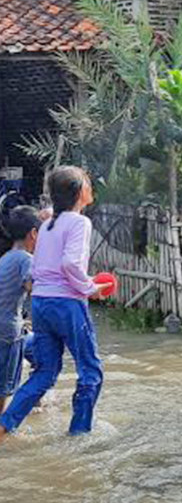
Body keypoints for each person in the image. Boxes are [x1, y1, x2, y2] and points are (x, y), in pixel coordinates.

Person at [0, 166, 109, 442]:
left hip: (40, 303)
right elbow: (70, 263)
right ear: (79, 192)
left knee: (45, 372)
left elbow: (49, 217)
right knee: (91, 370)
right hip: (66, 303)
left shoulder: (46, 223)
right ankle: (79, 435)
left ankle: (4, 426)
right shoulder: (79, 223)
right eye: (87, 182)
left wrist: (85, 282)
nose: (91, 186)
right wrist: (90, 287)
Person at [0, 206, 41, 415]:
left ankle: (37, 403)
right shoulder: (26, 259)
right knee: (4, 390)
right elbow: (35, 289)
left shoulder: (6, 258)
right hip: (8, 333)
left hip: (10, 327)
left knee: (40, 353)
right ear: (33, 234)